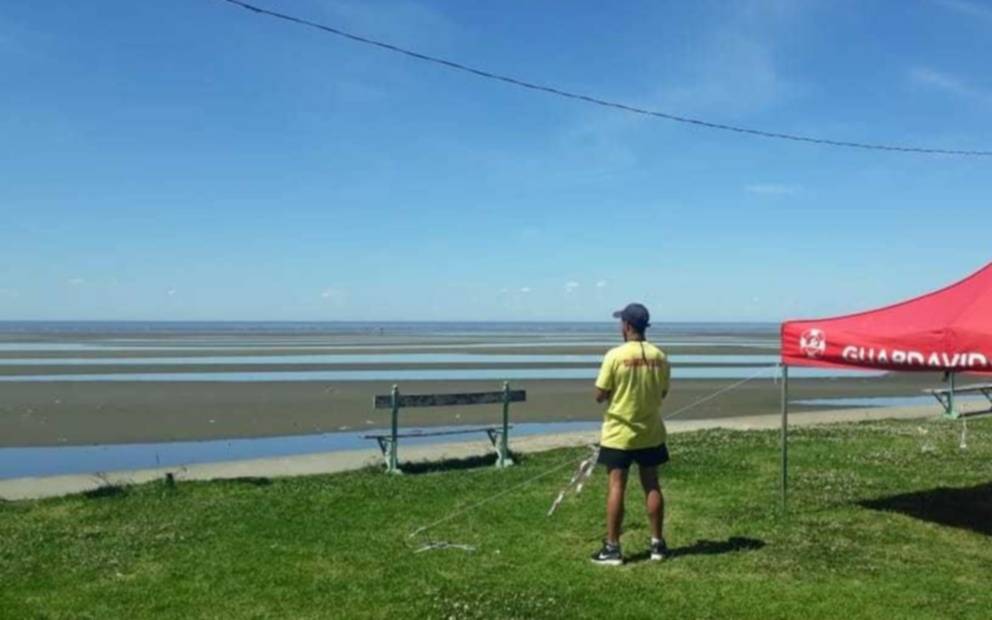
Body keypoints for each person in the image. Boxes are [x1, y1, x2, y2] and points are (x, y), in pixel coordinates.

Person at [590, 303, 671, 565]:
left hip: (619, 433)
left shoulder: (614, 355)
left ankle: (613, 547)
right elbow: (662, 392)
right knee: (651, 484)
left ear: (626, 326)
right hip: (650, 431)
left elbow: (600, 395)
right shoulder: (659, 355)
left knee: (616, 486)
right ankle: (657, 543)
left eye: (621, 323)